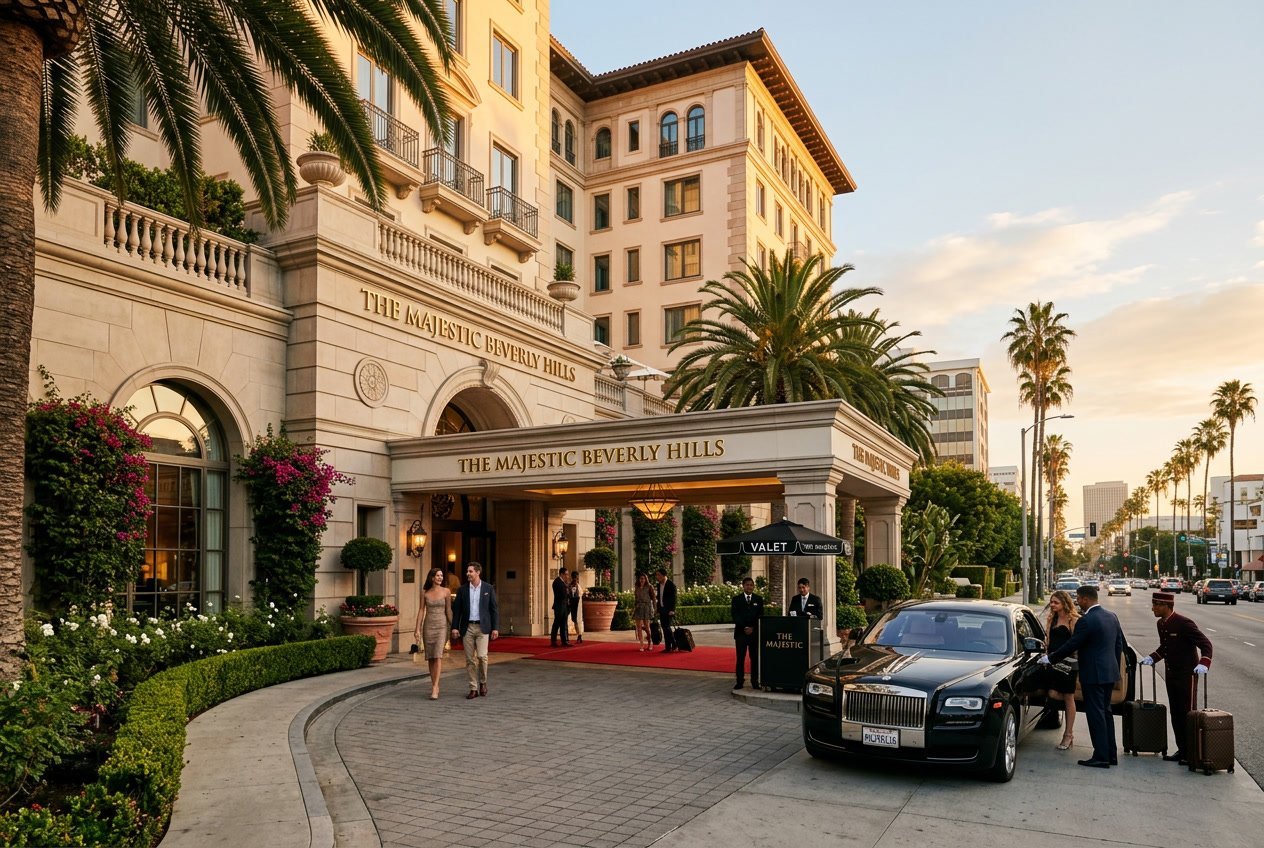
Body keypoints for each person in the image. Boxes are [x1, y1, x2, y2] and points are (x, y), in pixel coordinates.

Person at [1041, 584, 1124, 768]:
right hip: (1109, 673)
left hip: (1093, 674)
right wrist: (1114, 668)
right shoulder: (1111, 616)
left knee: (1095, 715)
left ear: (1086, 599)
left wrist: (1050, 659)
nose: (1077, 602)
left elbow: (1073, 644)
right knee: (1106, 713)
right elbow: (1119, 646)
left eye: (1078, 598)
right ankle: (1111, 754)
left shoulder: (1087, 620)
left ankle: (1101, 757)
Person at [1140, 591, 1213, 764]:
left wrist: (1204, 662)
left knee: (1187, 712)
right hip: (1171, 674)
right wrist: (1152, 657)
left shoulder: (1183, 623)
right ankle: (1182, 750)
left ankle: (1192, 752)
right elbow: (1165, 647)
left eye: (1156, 604)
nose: (1153, 608)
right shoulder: (1161, 624)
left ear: (1166, 605)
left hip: (1187, 675)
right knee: (1175, 712)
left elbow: (1206, 644)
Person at [450, 562, 499, 699]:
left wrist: (495, 628)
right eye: (467, 571)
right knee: (470, 659)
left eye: (471, 571)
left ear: (478, 572)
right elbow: (457, 611)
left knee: (482, 657)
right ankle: (473, 688)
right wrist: (455, 627)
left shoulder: (488, 588)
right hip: (468, 628)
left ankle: (483, 682)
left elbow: (494, 610)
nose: (468, 574)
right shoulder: (462, 590)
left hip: (483, 628)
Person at [1041, 589, 1080, 750]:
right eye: (1051, 602)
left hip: (1069, 663)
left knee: (1068, 697)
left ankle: (1068, 734)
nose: (1052, 605)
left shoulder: (1074, 620)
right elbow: (1048, 640)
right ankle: (1054, 717)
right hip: (1052, 661)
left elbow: (1077, 643)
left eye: (1056, 602)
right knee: (1052, 693)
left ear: (1065, 603)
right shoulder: (1052, 618)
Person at [413, 566, 453, 700]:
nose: (440, 578)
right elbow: (421, 610)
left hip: (442, 626)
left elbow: (448, 611)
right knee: (430, 657)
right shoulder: (425, 592)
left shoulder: (446, 592)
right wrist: (417, 628)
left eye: (441, 575)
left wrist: (454, 627)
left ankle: (436, 686)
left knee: (438, 655)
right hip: (428, 626)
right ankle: (433, 684)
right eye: (437, 576)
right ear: (432, 577)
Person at [731, 577, 764, 690]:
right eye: (747, 585)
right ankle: (739, 681)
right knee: (740, 658)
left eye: (751, 585)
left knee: (754, 658)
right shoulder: (736, 599)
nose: (749, 587)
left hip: (754, 634)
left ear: (753, 586)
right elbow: (735, 615)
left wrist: (752, 628)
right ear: (743, 586)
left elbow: (760, 616)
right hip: (741, 634)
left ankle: (755, 681)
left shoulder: (758, 599)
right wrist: (744, 627)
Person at [633, 572, 657, 651]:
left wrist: (654, 608)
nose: (641, 580)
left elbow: (653, 598)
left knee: (647, 627)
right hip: (638, 607)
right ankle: (641, 644)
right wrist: (634, 607)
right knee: (638, 627)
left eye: (643, 578)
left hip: (647, 607)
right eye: (640, 579)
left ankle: (650, 642)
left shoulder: (649, 586)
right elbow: (636, 598)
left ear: (646, 579)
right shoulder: (637, 587)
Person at [656, 569, 678, 652]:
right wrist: (658, 609)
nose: (657, 577)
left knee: (667, 628)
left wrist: (672, 610)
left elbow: (674, 598)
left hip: (668, 610)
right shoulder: (659, 585)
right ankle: (670, 646)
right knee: (664, 628)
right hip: (662, 609)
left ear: (663, 575)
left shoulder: (670, 584)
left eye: (658, 575)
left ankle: (672, 645)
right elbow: (659, 597)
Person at [550, 565, 571, 647]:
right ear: (562, 574)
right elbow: (561, 594)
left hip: (564, 605)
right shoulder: (557, 582)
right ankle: (553, 641)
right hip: (559, 606)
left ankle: (564, 641)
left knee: (563, 624)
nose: (567, 576)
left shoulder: (563, 582)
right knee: (557, 623)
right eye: (566, 574)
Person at [568, 571, 584, 644]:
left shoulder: (571, 585)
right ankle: (579, 635)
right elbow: (579, 594)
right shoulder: (575, 586)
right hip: (576, 604)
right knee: (577, 620)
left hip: (574, 604)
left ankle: (579, 635)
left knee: (576, 620)